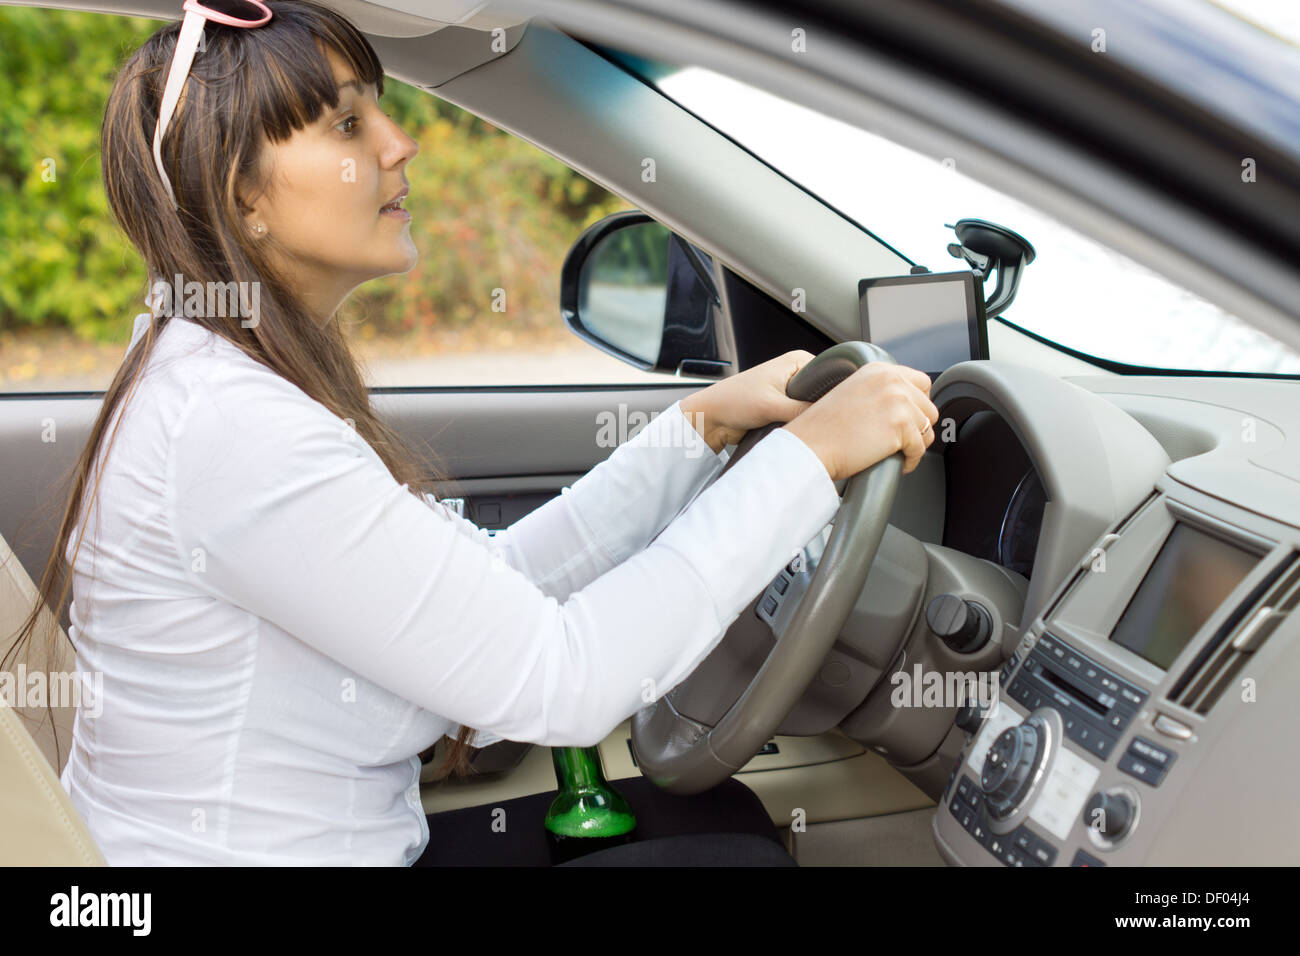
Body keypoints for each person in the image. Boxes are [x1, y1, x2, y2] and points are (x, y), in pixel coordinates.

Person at [4, 0, 938, 866]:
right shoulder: (231, 430)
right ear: (240, 194)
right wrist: (812, 459)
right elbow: (568, 681)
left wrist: (699, 425)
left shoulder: (214, 377)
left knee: (718, 829)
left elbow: (499, 586)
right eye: (346, 124)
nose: (401, 144)